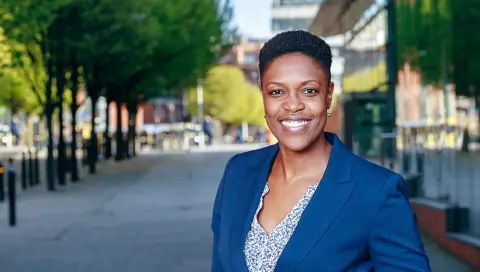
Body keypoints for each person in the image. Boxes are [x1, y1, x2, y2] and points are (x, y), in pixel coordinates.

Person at [211, 30, 431, 272]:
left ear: (328, 96)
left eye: (309, 91)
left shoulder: (377, 191)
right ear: (262, 94)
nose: (293, 104)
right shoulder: (238, 173)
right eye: (277, 92)